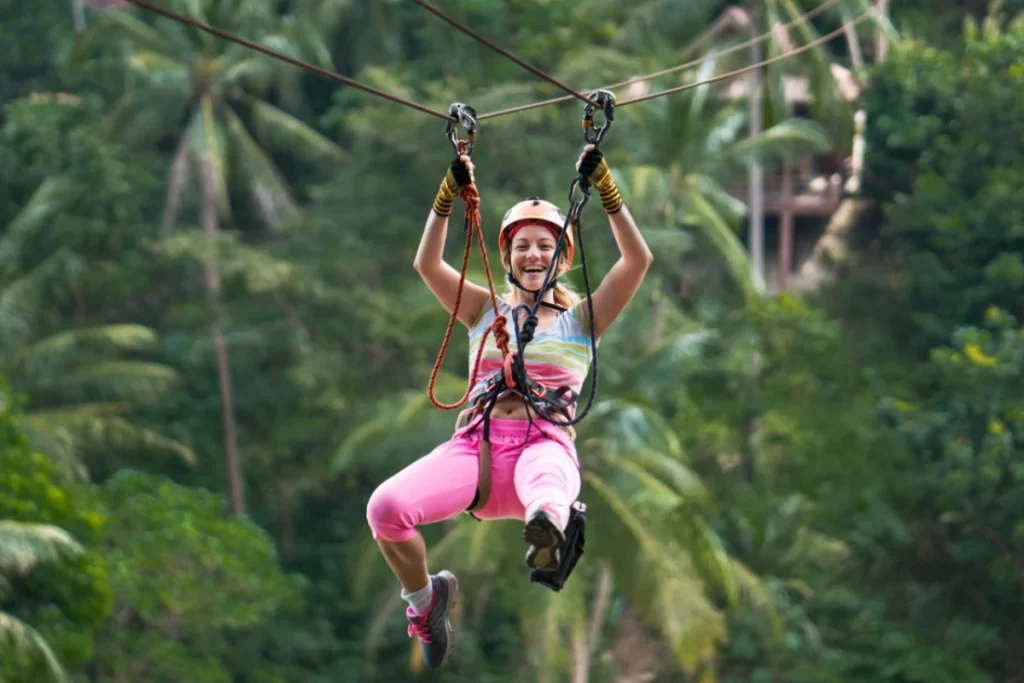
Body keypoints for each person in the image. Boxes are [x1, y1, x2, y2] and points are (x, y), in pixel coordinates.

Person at [365, 143, 653, 668]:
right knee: (385, 510)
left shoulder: (582, 322)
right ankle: (425, 603)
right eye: (522, 246)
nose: (533, 255)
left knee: (545, 493)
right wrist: (448, 193)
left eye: (545, 245)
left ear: (562, 258)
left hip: (543, 448)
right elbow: (426, 262)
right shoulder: (482, 311)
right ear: (508, 257)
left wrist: (608, 191)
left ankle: (548, 532)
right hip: (474, 454)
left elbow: (637, 261)